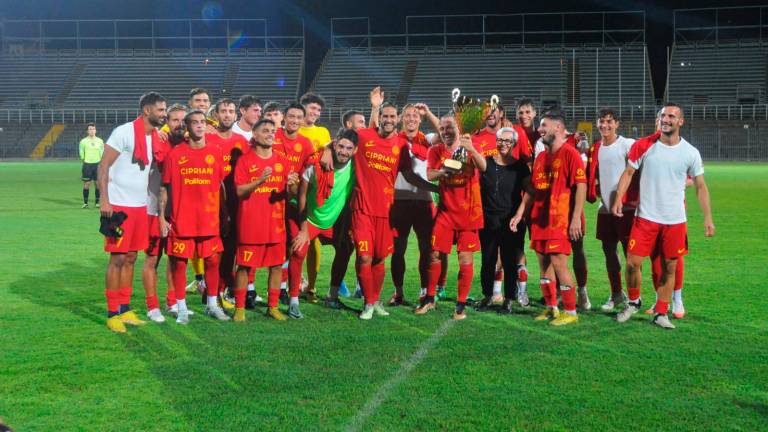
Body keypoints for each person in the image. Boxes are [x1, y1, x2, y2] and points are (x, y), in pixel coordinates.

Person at [614, 103, 714, 329]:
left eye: (671, 116)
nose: (666, 119)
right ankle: (633, 301)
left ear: (681, 121)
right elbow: (628, 173)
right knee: (632, 263)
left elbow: (700, 186)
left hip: (675, 221)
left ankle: (661, 312)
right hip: (645, 217)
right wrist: (618, 198)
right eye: (663, 115)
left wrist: (708, 218)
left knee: (669, 267)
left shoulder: (690, 152)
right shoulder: (644, 145)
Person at [341, 102, 434, 319]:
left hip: (386, 211)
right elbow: (341, 143)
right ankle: (368, 303)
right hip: (362, 207)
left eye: (393, 116)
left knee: (379, 258)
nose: (389, 120)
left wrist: (436, 187)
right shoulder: (363, 136)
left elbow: (409, 175)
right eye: (385, 116)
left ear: (398, 118)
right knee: (364, 257)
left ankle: (375, 300)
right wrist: (326, 154)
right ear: (379, 117)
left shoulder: (401, 145)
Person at [98, 91, 167, 333]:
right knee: (117, 258)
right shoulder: (124, 132)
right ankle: (112, 312)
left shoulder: (155, 137)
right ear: (147, 110)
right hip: (117, 206)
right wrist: (104, 201)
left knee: (131, 258)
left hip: (139, 207)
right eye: (160, 109)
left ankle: (125, 309)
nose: (163, 113)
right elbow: (103, 165)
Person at [510, 110, 586, 326]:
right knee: (544, 266)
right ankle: (551, 307)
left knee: (559, 264)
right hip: (539, 220)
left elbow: (581, 185)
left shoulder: (570, 153)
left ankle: (570, 311)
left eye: (544, 125)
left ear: (558, 128)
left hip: (559, 220)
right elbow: (533, 190)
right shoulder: (542, 156)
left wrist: (575, 219)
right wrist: (520, 213)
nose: (540, 130)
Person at [159, 110, 229, 324]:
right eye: (195, 123)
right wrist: (162, 218)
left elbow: (221, 185)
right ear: (187, 127)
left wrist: (225, 215)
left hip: (209, 220)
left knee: (212, 261)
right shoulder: (175, 154)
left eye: (202, 122)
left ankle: (211, 305)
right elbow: (165, 189)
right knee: (179, 264)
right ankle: (181, 308)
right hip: (182, 220)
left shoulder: (216, 152)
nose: (199, 126)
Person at [415, 114, 486, 320]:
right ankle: (429, 298)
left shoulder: (470, 147)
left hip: (469, 213)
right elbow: (430, 175)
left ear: (458, 128)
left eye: (449, 128)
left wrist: (470, 149)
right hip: (445, 212)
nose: (445, 132)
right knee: (434, 254)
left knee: (465, 258)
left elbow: (483, 167)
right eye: (442, 129)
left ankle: (461, 304)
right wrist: (446, 169)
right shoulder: (435, 150)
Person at [231, 119, 299, 321]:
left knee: (277, 266)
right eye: (265, 131)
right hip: (250, 224)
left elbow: (290, 194)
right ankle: (240, 308)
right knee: (244, 266)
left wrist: (292, 186)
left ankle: (273, 307)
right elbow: (240, 191)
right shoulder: (244, 161)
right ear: (255, 134)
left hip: (275, 224)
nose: (270, 134)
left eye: (272, 131)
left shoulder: (282, 161)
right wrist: (260, 180)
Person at [289, 129, 358, 315]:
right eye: (340, 146)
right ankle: (293, 299)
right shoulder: (317, 164)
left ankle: (332, 297)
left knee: (345, 248)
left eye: (348, 148)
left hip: (330, 222)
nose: (343, 151)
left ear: (355, 150)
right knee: (299, 249)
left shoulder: (356, 166)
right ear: (334, 145)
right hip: (309, 217)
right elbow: (301, 195)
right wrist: (303, 229)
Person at [472, 103, 530, 303]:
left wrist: (519, 215)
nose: (504, 143)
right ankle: (488, 296)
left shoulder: (520, 167)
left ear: (514, 143)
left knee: (509, 260)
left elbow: (530, 192)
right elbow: (476, 160)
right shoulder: (486, 162)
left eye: (508, 141)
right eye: (500, 140)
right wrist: (469, 146)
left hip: (511, 220)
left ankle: (509, 300)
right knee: (487, 260)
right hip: (488, 219)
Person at [585, 108, 636, 311]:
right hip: (605, 208)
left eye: (609, 121)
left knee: (630, 256)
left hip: (626, 209)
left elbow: (636, 171)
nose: (605, 125)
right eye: (601, 121)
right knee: (609, 252)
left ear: (617, 124)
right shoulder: (595, 148)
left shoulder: (627, 144)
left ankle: (634, 299)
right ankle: (617, 294)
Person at [387, 103, 437, 306]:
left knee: (427, 249)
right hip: (399, 201)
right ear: (400, 118)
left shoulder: (427, 139)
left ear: (420, 119)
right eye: (407, 115)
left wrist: (429, 113)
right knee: (398, 249)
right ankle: (398, 292)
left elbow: (447, 133)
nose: (411, 119)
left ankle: (425, 291)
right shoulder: (393, 140)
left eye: (415, 116)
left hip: (423, 202)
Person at [142, 103, 187, 323]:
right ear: (167, 122)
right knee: (153, 259)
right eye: (175, 120)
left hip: (178, 211)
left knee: (176, 259)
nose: (179, 124)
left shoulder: (189, 145)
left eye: (182, 120)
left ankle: (173, 302)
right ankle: (152, 306)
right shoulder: (158, 142)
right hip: (153, 210)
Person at [205, 98, 250, 310]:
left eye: (231, 111)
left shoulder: (242, 141)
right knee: (212, 250)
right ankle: (210, 290)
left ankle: (220, 290)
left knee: (231, 249)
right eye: (223, 111)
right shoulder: (205, 138)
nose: (227, 115)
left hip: (234, 202)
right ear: (216, 114)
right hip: (209, 203)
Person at [273, 103, 316, 310]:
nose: (295, 121)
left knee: (294, 248)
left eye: (299, 117)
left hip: (291, 204)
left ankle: (287, 291)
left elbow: (311, 171)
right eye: (291, 116)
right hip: (270, 202)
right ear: (284, 118)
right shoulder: (272, 137)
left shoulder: (306, 144)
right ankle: (252, 290)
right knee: (270, 248)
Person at [299, 92, 332, 301]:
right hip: (295, 189)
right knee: (293, 240)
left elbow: (329, 153)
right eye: (312, 108)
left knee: (314, 241)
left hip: (316, 192)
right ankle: (288, 285)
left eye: (318, 110)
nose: (315, 112)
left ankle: (311, 286)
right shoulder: (292, 128)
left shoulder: (322, 131)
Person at [79, 123, 104, 208]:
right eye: (90, 129)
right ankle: (85, 203)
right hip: (87, 165)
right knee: (87, 184)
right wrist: (85, 161)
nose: (92, 130)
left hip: (97, 165)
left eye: (93, 129)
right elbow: (81, 153)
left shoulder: (100, 141)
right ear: (87, 131)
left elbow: (102, 153)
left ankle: (97, 203)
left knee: (97, 184)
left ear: (95, 130)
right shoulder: (83, 141)